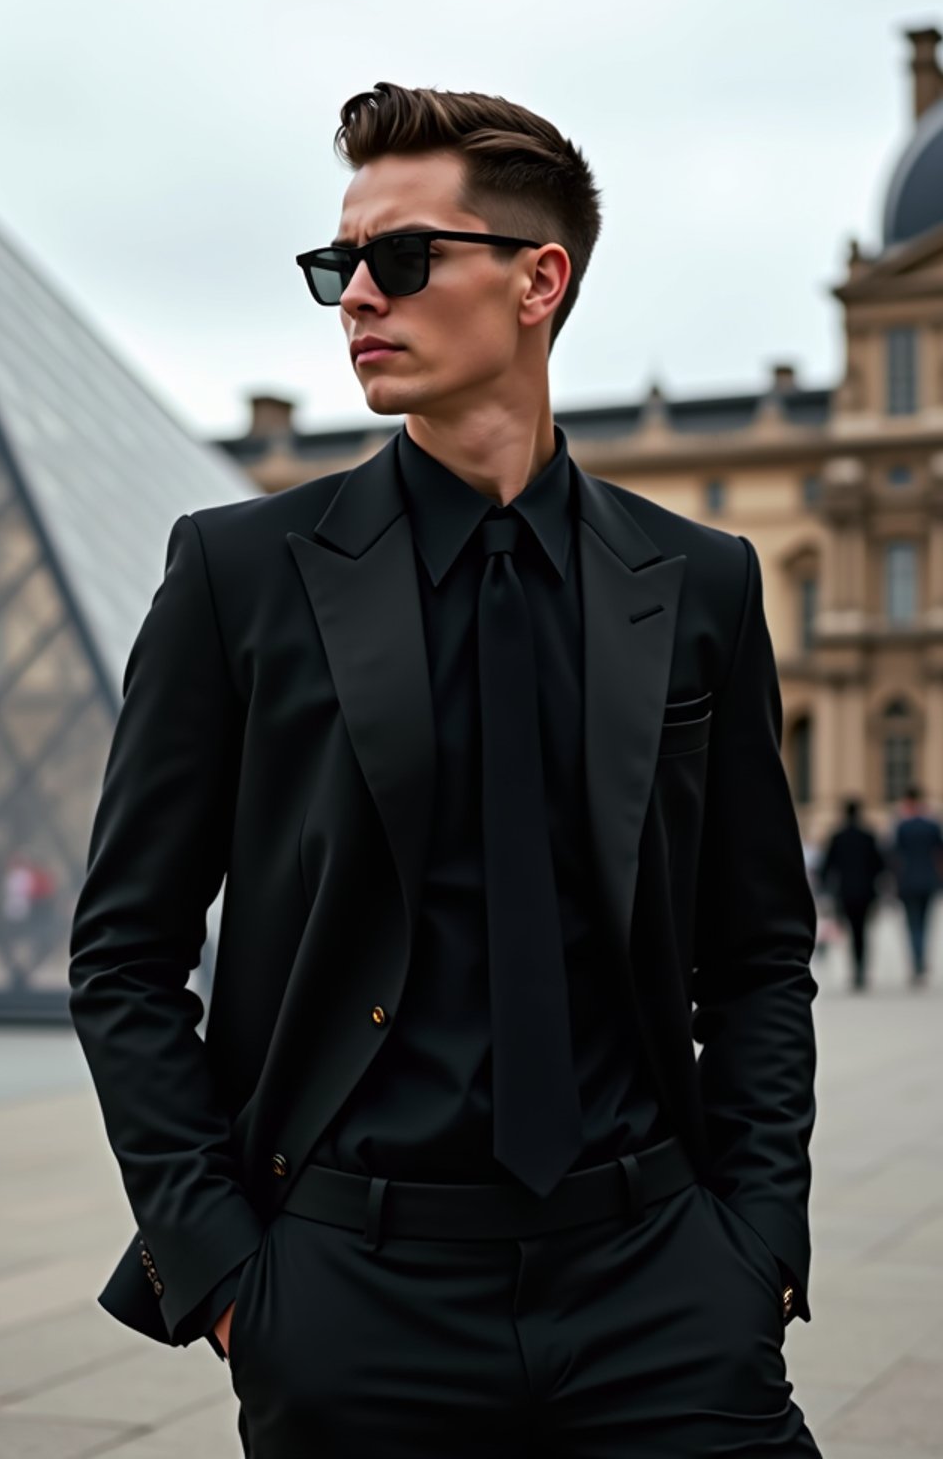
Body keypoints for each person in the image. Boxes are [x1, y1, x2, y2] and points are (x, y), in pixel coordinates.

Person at [68, 82, 821, 1458]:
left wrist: (761, 1238)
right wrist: (232, 1276)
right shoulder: (240, 578)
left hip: (660, 1281)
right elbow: (123, 952)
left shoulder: (700, 583)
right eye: (336, 265)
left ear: (541, 280)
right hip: (352, 1296)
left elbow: (761, 951)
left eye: (400, 259)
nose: (356, 295)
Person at [818, 796, 888, 989]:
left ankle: (855, 969)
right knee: (862, 931)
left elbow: (827, 866)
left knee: (849, 930)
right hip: (866, 892)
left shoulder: (837, 837)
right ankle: (861, 970)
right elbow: (879, 865)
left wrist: (824, 889)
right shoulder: (868, 836)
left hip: (845, 892)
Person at [889, 784, 943, 987]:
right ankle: (921, 961)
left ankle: (917, 962)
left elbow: (894, 856)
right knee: (926, 924)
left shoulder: (902, 826)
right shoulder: (932, 825)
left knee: (913, 925)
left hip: (908, 881)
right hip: (928, 880)